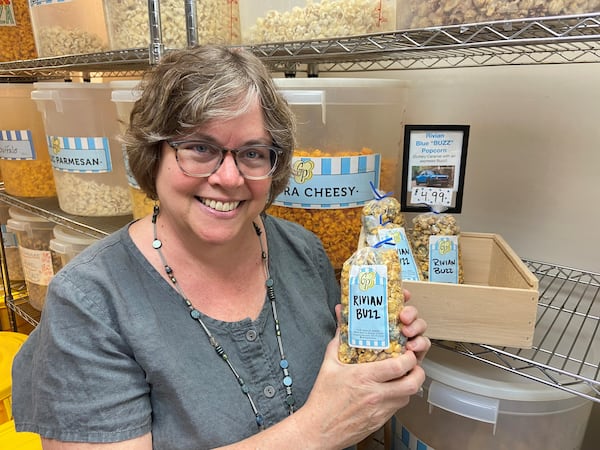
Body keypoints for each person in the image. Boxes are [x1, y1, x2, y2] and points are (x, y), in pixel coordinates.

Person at [12, 45, 430, 450]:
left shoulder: (302, 251)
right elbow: (325, 423)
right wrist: (317, 431)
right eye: (199, 148)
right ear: (152, 154)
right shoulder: (89, 302)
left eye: (252, 153)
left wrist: (378, 358)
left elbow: (344, 387)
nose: (229, 178)